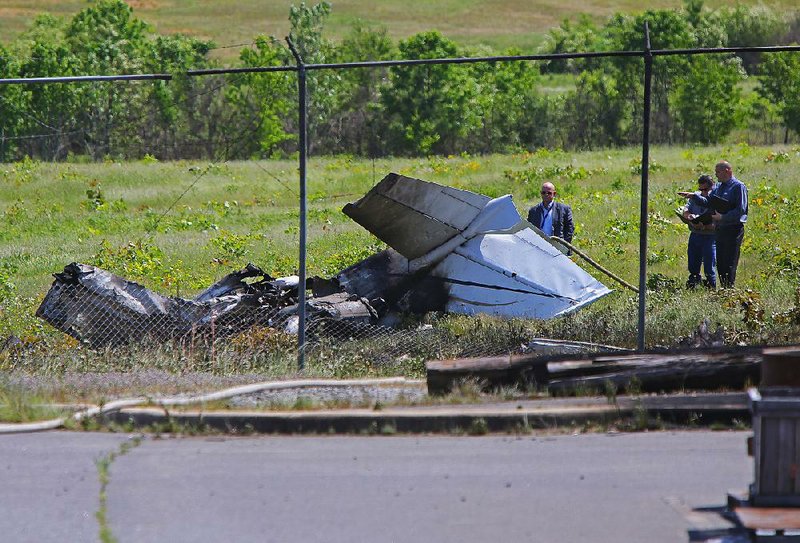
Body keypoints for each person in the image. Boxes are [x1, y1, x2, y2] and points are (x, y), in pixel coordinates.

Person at [679, 161, 748, 288]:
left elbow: (741, 211)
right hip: (720, 229)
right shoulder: (720, 187)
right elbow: (709, 202)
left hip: (733, 229)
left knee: (729, 261)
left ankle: (729, 289)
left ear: (727, 171)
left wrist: (723, 217)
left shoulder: (738, 186)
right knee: (721, 263)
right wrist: (694, 196)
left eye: (718, 172)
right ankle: (724, 289)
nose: (716, 175)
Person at [681, 174, 716, 289]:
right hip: (696, 233)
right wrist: (690, 218)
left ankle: (711, 284)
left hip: (710, 235)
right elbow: (686, 210)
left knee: (709, 261)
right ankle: (694, 281)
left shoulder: (716, 198)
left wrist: (705, 227)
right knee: (693, 259)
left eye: (706, 189)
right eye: (701, 189)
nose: (703, 192)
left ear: (713, 187)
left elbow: (719, 220)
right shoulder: (695, 197)